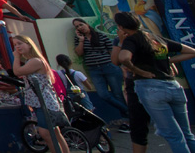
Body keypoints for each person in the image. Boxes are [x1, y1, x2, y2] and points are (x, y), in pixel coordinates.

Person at [115, 10, 195, 153]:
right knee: (186, 134)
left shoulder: (132, 39)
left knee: (174, 135)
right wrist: (168, 60)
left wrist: (139, 71)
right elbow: (191, 51)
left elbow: (122, 58)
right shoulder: (155, 38)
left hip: (151, 88)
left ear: (121, 27)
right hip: (173, 86)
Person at [12, 35, 70, 153]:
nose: (17, 47)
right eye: (15, 45)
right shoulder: (31, 61)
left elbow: (17, 71)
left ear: (29, 44)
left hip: (45, 101)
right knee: (55, 132)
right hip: (39, 101)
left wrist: (16, 57)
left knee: (45, 132)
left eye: (20, 43)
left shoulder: (36, 61)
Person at [72, 17, 130, 121]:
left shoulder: (100, 36)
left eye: (81, 24)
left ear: (87, 24)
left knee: (117, 94)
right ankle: (129, 112)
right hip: (94, 69)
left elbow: (112, 52)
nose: (80, 27)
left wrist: (119, 66)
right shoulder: (79, 39)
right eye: (77, 26)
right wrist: (81, 40)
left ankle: (127, 119)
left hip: (108, 66)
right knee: (103, 94)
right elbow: (79, 53)